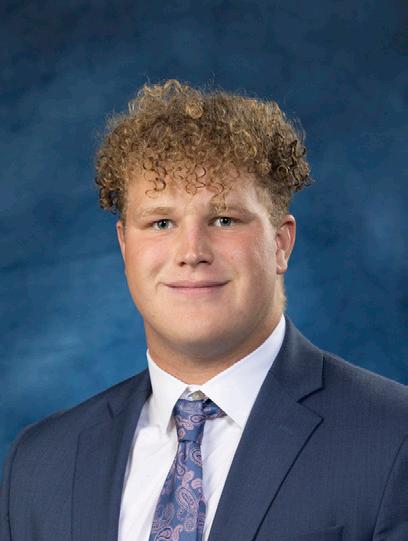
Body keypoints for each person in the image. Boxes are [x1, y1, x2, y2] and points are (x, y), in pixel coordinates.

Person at [1, 79, 407, 541]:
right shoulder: (40, 463)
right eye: (161, 222)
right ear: (125, 246)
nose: (191, 252)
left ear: (280, 244)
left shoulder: (394, 438)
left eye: (224, 219)